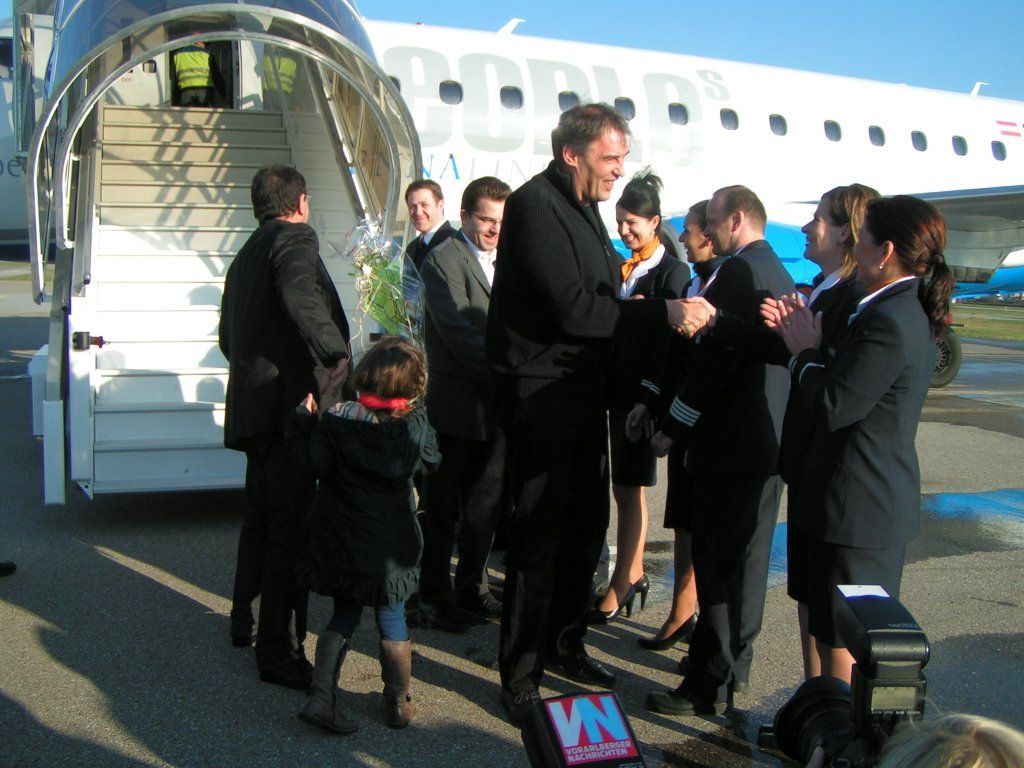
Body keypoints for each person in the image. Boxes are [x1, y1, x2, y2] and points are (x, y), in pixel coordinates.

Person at [485, 102, 693, 724]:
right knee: (540, 537)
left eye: (623, 157)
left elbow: (603, 301)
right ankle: (521, 674)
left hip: (581, 396)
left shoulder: (583, 207)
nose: (619, 170)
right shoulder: (535, 205)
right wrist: (665, 312)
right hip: (541, 396)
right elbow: (577, 311)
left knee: (583, 531)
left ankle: (565, 642)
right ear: (571, 154)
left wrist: (635, 394)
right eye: (610, 158)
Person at [771, 195, 954, 684]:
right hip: (844, 501)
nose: (855, 245)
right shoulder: (886, 309)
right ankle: (818, 711)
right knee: (824, 625)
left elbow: (836, 405)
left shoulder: (891, 319)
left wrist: (804, 353)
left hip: (860, 511)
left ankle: (836, 727)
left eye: (863, 238)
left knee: (843, 639)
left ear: (885, 251)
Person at [702, 184, 878, 678]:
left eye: (817, 219)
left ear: (844, 232)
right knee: (808, 598)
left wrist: (804, 347)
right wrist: (722, 323)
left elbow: (835, 385)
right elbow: (783, 352)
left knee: (830, 612)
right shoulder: (822, 289)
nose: (805, 227)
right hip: (804, 463)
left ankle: (829, 708)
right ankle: (814, 697)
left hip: (832, 472)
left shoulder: (852, 298)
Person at [645, 185, 794, 716]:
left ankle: (707, 681)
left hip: (729, 445)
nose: (705, 230)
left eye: (711, 220)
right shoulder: (774, 270)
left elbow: (714, 364)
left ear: (736, 220)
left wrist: (671, 428)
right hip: (762, 446)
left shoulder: (736, 272)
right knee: (746, 564)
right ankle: (733, 667)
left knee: (718, 565)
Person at [219, 165, 350, 689]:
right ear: (300, 202)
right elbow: (300, 294)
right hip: (288, 410)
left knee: (261, 519)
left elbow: (228, 338)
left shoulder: (245, 255)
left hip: (253, 410)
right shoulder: (295, 238)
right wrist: (334, 353)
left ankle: (243, 620)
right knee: (288, 531)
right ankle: (278, 651)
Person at [293, 336, 439, 733]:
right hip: (391, 544)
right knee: (392, 615)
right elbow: (431, 461)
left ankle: (321, 697)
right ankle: (399, 701)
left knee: (344, 613)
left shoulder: (337, 420)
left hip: (343, 540)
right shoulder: (413, 426)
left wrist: (306, 422)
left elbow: (316, 465)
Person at [590, 170, 688, 623]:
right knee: (619, 487)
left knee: (632, 486)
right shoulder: (622, 267)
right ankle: (629, 572)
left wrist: (649, 398)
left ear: (655, 222)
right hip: (614, 391)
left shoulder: (672, 272)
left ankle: (625, 578)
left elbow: (667, 345)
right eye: (620, 222)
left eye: (632, 223)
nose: (624, 231)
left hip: (641, 398)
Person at [415, 176, 512, 633]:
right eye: (486, 220)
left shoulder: (508, 258)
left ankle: (472, 588)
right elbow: (458, 331)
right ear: (465, 215)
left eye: (500, 222)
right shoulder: (443, 259)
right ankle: (433, 597)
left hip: (494, 411)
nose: (494, 229)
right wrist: (508, 377)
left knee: (485, 506)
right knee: (442, 508)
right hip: (455, 406)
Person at [628, 199, 720, 650]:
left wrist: (672, 426)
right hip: (680, 412)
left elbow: (706, 368)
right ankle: (683, 610)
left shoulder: (707, 282)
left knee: (700, 521)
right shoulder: (698, 280)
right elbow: (670, 351)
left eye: (691, 229)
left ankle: (689, 611)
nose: (683, 237)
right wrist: (648, 400)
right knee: (683, 517)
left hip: (702, 423)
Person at [405, 180, 456, 271]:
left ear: (440, 205)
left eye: (424, 205)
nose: (418, 212)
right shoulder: (411, 247)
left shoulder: (455, 244)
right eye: (412, 207)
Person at [172, 41, 226, 107]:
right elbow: (216, 76)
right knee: (204, 113)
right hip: (205, 92)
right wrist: (223, 94)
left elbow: (175, 80)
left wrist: (175, 101)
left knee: (188, 113)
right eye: (205, 44)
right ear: (199, 41)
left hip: (186, 92)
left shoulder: (177, 54)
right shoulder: (207, 53)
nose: (205, 46)